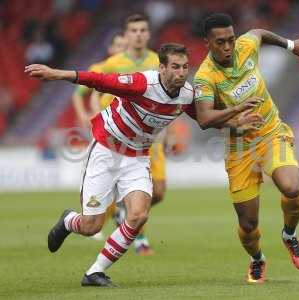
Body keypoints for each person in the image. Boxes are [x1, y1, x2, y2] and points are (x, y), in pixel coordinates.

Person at [25, 43, 262, 287]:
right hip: (106, 150)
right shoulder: (142, 83)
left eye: (184, 67)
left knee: (138, 216)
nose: (181, 73)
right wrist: (57, 73)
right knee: (90, 226)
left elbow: (205, 119)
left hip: (137, 157)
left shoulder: (187, 94)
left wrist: (236, 124)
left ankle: (95, 272)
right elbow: (98, 80)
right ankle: (68, 221)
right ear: (162, 68)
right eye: (175, 67)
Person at [194, 13, 299, 283]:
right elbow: (203, 118)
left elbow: (259, 32)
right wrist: (236, 115)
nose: (227, 47)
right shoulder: (205, 77)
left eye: (230, 40)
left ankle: (289, 235)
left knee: (292, 187)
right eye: (220, 42)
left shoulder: (245, 47)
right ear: (207, 43)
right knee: (248, 225)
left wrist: (291, 45)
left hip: (271, 133)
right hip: (239, 149)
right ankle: (257, 258)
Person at [73, 14, 171, 254]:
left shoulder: (157, 61)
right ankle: (132, 235)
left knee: (158, 192)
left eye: (142, 30)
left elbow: (166, 97)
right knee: (124, 194)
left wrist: (166, 130)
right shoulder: (112, 64)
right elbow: (83, 92)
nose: (138, 34)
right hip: (118, 137)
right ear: (127, 35)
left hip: (150, 137)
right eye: (134, 30)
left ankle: (122, 212)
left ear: (148, 34)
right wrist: (88, 116)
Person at [72, 32, 127, 241]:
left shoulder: (129, 68)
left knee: (121, 175)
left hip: (126, 132)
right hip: (104, 129)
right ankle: (91, 216)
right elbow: (79, 94)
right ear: (111, 49)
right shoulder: (100, 68)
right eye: (118, 45)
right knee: (102, 172)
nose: (122, 48)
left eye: (124, 45)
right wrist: (84, 116)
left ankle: (117, 215)